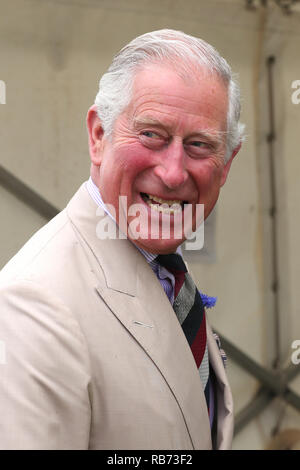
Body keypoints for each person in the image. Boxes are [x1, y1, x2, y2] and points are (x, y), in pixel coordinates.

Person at [0, 29, 244, 450]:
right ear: (98, 135)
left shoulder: (163, 268)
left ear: (226, 166)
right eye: (152, 134)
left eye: (199, 145)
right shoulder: (34, 301)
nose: (172, 173)